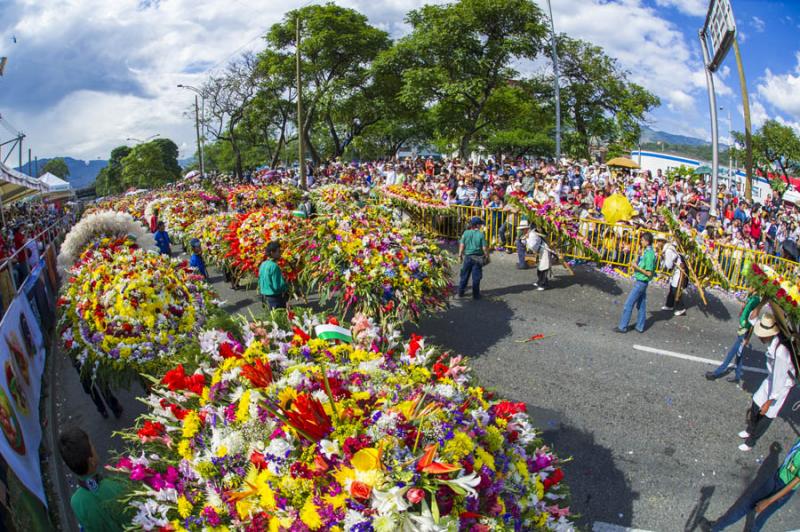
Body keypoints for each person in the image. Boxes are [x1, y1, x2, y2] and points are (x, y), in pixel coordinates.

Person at [701, 437, 800, 532]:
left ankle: (716, 527)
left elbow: (796, 481)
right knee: (744, 504)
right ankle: (715, 527)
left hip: (783, 489)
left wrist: (768, 501)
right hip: (776, 477)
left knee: (758, 518)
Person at [737, 312, 797, 451]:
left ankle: (751, 442)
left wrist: (769, 401)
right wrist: (756, 311)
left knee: (767, 414)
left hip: (781, 386)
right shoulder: (772, 339)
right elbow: (754, 319)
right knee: (756, 402)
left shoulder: (780, 353)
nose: (759, 337)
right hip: (771, 378)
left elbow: (779, 379)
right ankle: (750, 429)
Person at [58, 427, 132, 531]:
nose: (94, 447)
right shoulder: (116, 484)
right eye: (92, 445)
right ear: (91, 461)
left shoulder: (76, 502)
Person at [705, 288, 761, 384]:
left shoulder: (756, 300)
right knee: (739, 355)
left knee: (731, 354)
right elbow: (744, 312)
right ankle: (737, 376)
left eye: (751, 286)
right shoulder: (751, 297)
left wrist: (747, 338)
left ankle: (716, 373)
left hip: (744, 332)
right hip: (742, 329)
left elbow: (753, 322)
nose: (749, 288)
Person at [615, 232, 656, 333]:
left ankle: (622, 326)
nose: (641, 242)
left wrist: (636, 267)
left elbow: (649, 273)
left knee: (628, 304)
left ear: (647, 241)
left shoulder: (650, 254)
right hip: (640, 281)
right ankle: (640, 326)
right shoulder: (646, 251)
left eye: (642, 240)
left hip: (641, 282)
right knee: (641, 305)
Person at [458, 216, 490, 299]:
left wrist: (460, 255)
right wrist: (487, 256)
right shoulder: (481, 234)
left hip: (468, 257)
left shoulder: (466, 233)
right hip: (478, 258)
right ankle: (476, 295)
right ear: (478, 225)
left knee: (464, 275)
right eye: (480, 224)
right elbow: (484, 248)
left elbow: (462, 245)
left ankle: (460, 292)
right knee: (476, 277)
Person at [659, 235, 687, 316]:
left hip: (678, 272)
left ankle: (681, 308)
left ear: (663, 242)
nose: (657, 243)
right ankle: (669, 305)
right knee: (672, 288)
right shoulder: (667, 249)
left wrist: (663, 258)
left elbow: (668, 265)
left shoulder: (668, 250)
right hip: (675, 272)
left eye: (659, 241)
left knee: (675, 289)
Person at [258, 241, 289, 310]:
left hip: (265, 297)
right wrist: (286, 285)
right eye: (278, 252)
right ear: (272, 252)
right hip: (275, 298)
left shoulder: (263, 264)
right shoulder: (274, 266)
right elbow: (277, 286)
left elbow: (259, 281)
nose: (280, 254)